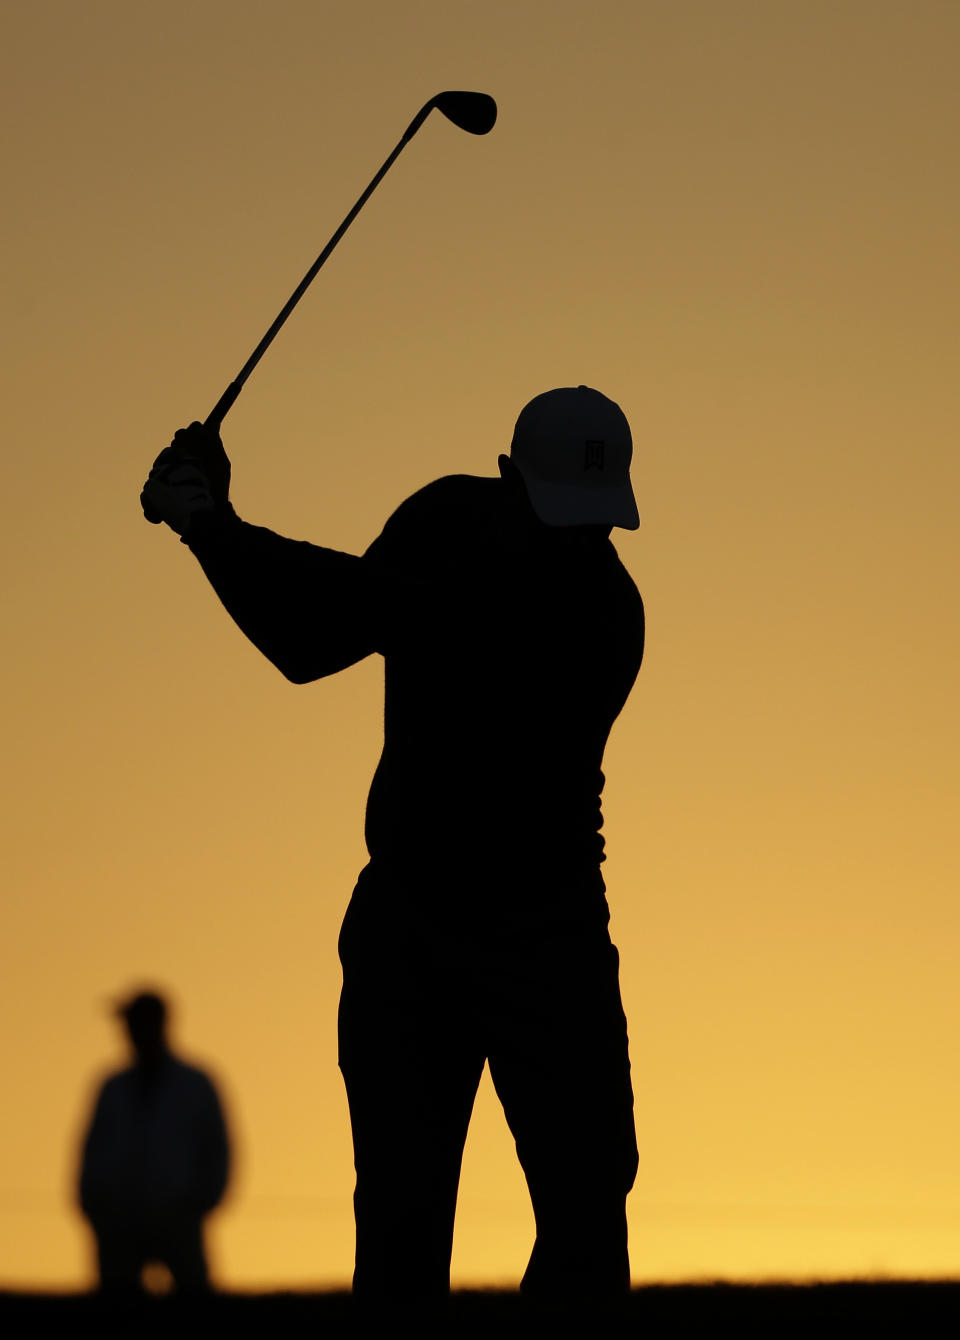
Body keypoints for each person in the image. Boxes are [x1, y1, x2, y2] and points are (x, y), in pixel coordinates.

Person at [139, 385, 644, 1302]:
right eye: (566, 515)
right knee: (403, 1229)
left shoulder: (603, 615)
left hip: (547, 934)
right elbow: (329, 622)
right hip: (413, 933)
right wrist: (212, 522)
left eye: (598, 523)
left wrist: (206, 521)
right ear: (507, 481)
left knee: (588, 1215)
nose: (584, 541)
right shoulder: (446, 523)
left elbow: (318, 625)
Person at [78, 989, 230, 1294]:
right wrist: (94, 1205)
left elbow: (217, 1148)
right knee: (117, 1303)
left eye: (136, 1022)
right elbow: (92, 1150)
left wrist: (201, 1202)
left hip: (179, 1218)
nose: (129, 1032)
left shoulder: (194, 1085)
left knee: (194, 1301)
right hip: (120, 1222)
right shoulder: (113, 1087)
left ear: (157, 1024)